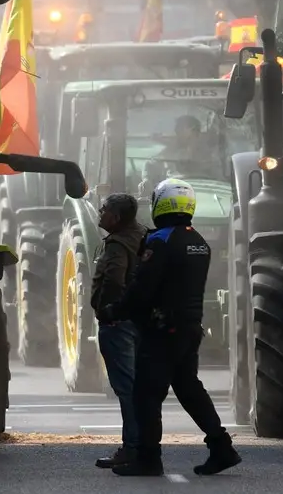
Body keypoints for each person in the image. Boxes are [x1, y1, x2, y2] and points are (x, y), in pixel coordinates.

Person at [112, 178, 241, 477]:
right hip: (189, 328)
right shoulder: (199, 241)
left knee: (146, 393)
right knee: (188, 388)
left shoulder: (161, 240)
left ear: (160, 203)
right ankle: (221, 447)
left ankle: (148, 459)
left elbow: (143, 288)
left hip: (162, 330)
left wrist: (115, 310)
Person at [91, 193, 149, 471]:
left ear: (116, 217)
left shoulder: (117, 244)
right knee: (140, 387)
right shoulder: (145, 235)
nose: (100, 215)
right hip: (142, 321)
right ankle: (144, 446)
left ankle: (132, 448)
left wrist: (108, 311)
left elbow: (113, 279)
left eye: (104, 210)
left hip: (119, 324)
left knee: (127, 389)